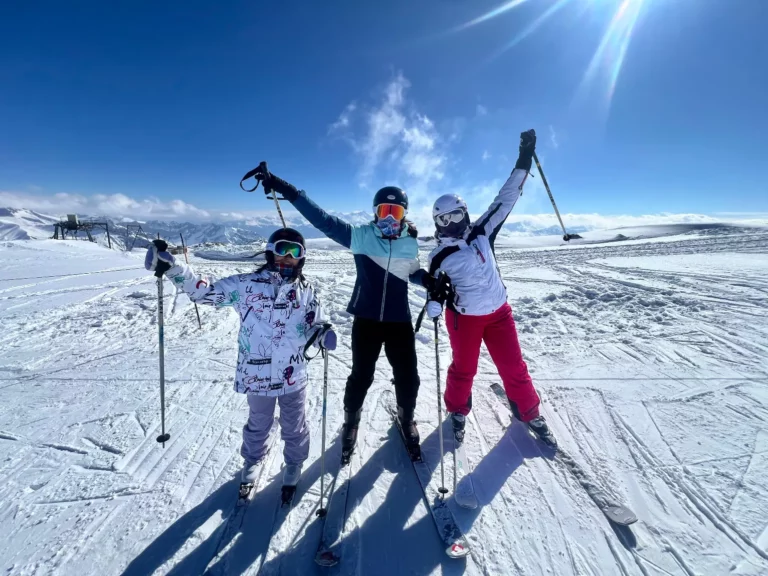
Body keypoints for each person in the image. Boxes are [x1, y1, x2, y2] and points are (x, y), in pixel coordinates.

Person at [248, 166, 437, 462]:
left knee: (409, 376)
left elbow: (410, 269)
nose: (389, 218)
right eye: (384, 210)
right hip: (367, 319)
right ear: (375, 213)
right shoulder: (361, 237)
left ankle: (407, 417)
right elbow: (324, 221)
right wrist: (287, 190)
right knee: (361, 376)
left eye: (396, 212)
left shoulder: (409, 242)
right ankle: (351, 422)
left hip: (399, 320)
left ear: (404, 215)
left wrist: (426, 280)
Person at [144, 228, 337, 495]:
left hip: (294, 373)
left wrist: (323, 334)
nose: (288, 257)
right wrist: (174, 268)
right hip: (257, 375)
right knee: (259, 421)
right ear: (270, 251)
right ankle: (253, 459)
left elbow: (313, 324)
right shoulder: (245, 285)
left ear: (302, 258)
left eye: (296, 252)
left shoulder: (305, 291)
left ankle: (294, 462)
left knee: (295, 423)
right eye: (283, 249)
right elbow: (204, 292)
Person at [425, 129, 557, 449]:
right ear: (437, 224)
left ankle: (528, 411)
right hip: (465, 319)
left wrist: (524, 157)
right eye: (444, 220)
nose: (452, 224)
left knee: (514, 366)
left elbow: (506, 196)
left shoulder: (483, 230)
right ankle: (457, 412)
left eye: (456, 215)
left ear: (466, 213)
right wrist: (434, 301)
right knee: (464, 369)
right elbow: (434, 287)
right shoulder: (439, 255)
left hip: (499, 313)